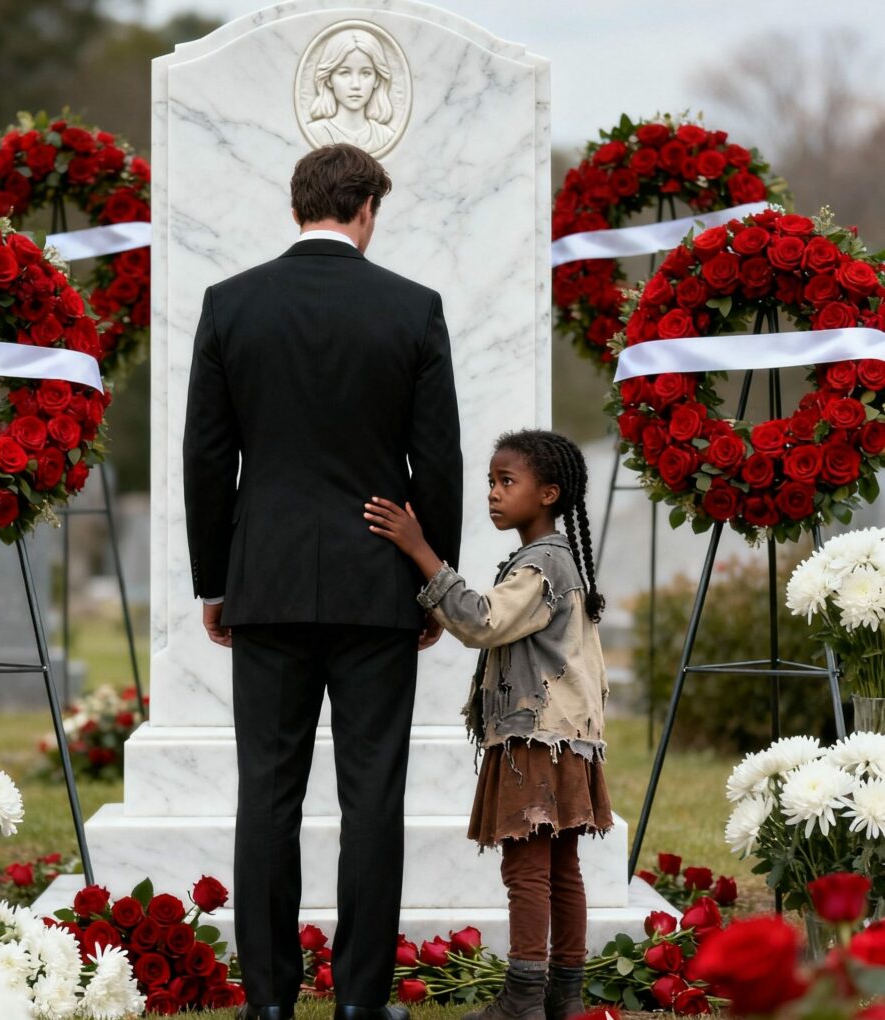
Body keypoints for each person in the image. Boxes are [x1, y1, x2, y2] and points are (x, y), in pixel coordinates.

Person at [182, 142, 463, 1020]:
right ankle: (359, 1003)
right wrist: (433, 577)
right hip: (379, 582)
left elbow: (205, 457)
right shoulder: (413, 309)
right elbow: (440, 459)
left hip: (263, 581)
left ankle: (267, 1002)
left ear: (296, 205)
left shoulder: (231, 306)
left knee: (266, 793)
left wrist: (214, 580)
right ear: (367, 208)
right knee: (371, 796)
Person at [364, 429, 612, 1020]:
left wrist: (421, 551)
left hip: (537, 738)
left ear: (549, 493)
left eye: (508, 482)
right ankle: (565, 999)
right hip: (567, 739)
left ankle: (524, 1000)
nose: (494, 495)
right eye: (491, 482)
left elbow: (481, 622)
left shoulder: (543, 562)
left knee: (527, 869)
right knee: (560, 870)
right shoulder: (557, 559)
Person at [307, 27, 395, 152]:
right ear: (328, 79)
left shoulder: (385, 136)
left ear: (377, 80)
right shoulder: (316, 132)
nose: (356, 85)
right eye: (344, 73)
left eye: (365, 73)